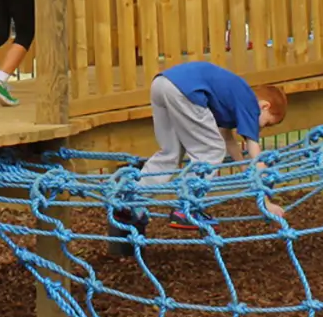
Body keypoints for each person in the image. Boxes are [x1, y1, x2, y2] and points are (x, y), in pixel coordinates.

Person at [117, 61, 286, 232]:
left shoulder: (234, 100)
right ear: (264, 106)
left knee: (171, 153)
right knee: (211, 150)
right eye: (267, 123)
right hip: (186, 91)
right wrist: (266, 200)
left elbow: (227, 139)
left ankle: (132, 199)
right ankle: (187, 207)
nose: (262, 128)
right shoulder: (250, 103)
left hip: (162, 84)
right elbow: (255, 154)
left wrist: (244, 169)